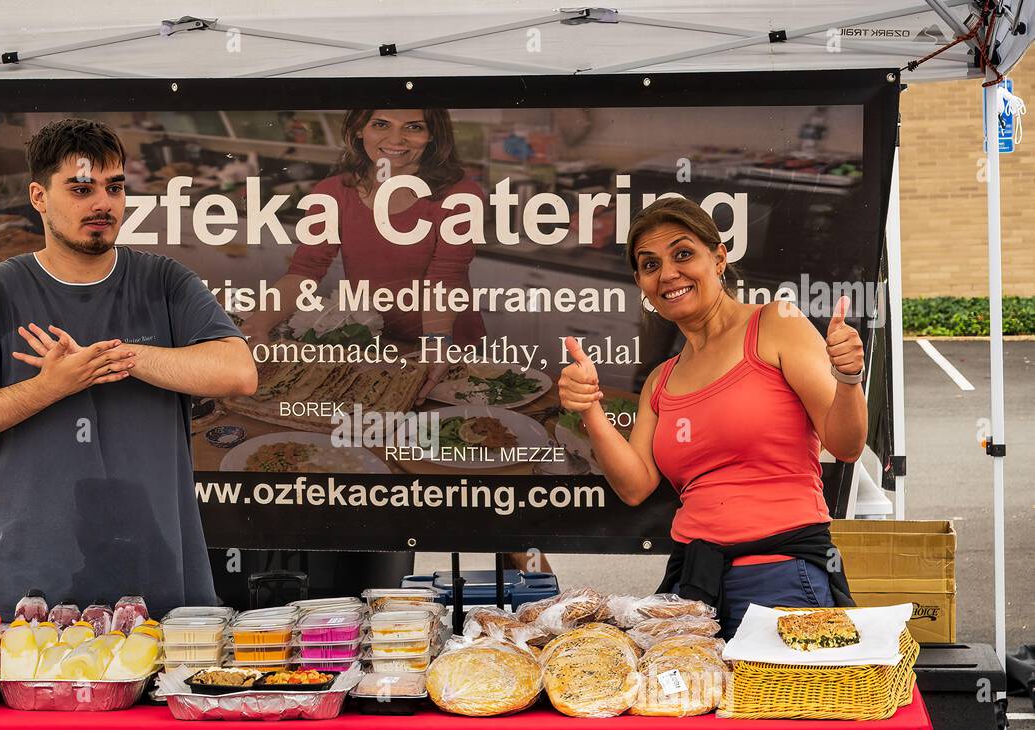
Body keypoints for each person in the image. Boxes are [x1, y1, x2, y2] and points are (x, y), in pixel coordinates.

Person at [0, 118, 258, 618]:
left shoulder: (164, 281)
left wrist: (116, 357)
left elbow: (237, 372)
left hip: (162, 578)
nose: (103, 203)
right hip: (32, 585)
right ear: (38, 196)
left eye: (114, 187)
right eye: (81, 189)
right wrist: (51, 387)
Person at [557, 197, 865, 639]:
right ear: (642, 284)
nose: (668, 274)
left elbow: (847, 444)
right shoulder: (661, 380)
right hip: (694, 583)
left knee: (785, 707)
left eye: (683, 254)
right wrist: (589, 408)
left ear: (718, 258)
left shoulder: (776, 323)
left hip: (780, 575)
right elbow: (634, 485)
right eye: (650, 264)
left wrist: (848, 377)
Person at [242, 107, 487, 403]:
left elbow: (445, 276)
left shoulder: (460, 194)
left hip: (446, 342)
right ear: (360, 129)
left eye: (413, 127)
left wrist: (436, 345)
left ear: (432, 135)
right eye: (380, 124)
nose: (396, 139)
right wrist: (257, 325)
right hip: (376, 343)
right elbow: (306, 269)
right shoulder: (333, 192)